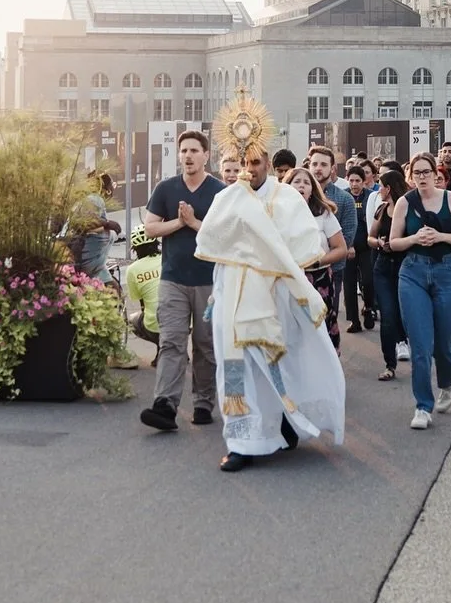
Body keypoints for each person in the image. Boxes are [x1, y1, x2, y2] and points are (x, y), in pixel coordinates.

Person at [195, 95, 346, 472]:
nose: (249, 169)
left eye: (256, 162)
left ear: (268, 162)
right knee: (238, 368)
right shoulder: (227, 198)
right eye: (243, 162)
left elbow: (304, 246)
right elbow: (214, 246)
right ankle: (242, 440)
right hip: (234, 295)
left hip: (276, 296)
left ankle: (284, 421)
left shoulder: (288, 198)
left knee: (283, 361)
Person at [139, 129, 225, 433]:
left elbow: (224, 236)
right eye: (183, 151)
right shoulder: (166, 188)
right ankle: (165, 404)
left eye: (193, 151)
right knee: (172, 342)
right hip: (173, 279)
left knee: (205, 344)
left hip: (209, 282)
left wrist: (193, 223)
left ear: (206, 155)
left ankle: (203, 402)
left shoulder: (219, 191)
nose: (187, 156)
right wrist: (179, 222)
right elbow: (150, 228)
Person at [389, 152, 451, 429]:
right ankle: (423, 406)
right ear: (410, 176)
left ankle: (447, 382)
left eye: (427, 172)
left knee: (445, 342)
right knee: (421, 345)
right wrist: (414, 238)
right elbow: (394, 242)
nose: (422, 177)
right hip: (412, 272)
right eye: (417, 173)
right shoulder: (404, 202)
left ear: (435, 174)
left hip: (446, 271)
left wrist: (440, 237)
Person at [289, 165, 348, 351]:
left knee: (321, 330)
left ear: (312, 189)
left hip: (319, 278)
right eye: (296, 181)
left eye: (306, 182)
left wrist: (317, 261)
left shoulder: (323, 213)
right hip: (290, 280)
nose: (301, 185)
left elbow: (340, 248)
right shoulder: (277, 214)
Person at [306, 146, 356, 328]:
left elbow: (347, 237)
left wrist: (317, 257)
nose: (318, 168)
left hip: (331, 271)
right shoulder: (295, 195)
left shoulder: (344, 199)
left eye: (323, 164)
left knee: (325, 321)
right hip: (297, 271)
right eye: (315, 164)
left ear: (332, 168)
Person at [368, 166, 408, 380]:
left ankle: (406, 343)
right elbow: (370, 237)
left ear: (389, 188)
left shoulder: (409, 209)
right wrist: (379, 243)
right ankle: (389, 364)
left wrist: (399, 243)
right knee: (387, 316)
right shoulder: (381, 209)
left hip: (405, 266)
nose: (379, 190)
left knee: (405, 313)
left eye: (381, 187)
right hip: (382, 267)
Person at [341, 164, 375, 332]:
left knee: (368, 281)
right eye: (351, 180)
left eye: (358, 181)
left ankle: (368, 308)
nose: (354, 184)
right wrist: (348, 245)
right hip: (348, 248)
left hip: (367, 246)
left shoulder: (371, 197)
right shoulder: (343, 197)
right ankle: (354, 320)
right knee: (348, 285)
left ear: (364, 182)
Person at [73, 169, 124, 280]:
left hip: (94, 264)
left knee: (114, 289)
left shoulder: (92, 199)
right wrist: (108, 224)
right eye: (112, 185)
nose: (113, 189)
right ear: (106, 188)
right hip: (87, 264)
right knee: (112, 291)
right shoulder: (95, 199)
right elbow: (83, 222)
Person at [124, 223, 162, 363]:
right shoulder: (168, 258)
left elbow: (143, 305)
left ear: (135, 249)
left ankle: (162, 348)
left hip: (155, 326)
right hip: (183, 324)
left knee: (134, 320)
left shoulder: (133, 270)